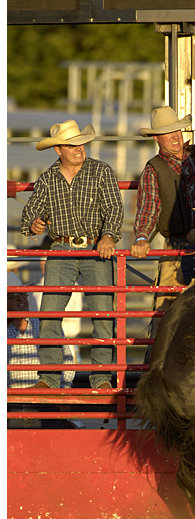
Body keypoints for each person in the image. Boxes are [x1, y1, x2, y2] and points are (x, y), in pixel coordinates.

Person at [20, 119, 124, 389]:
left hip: (96, 247)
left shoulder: (101, 171)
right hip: (61, 248)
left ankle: (101, 379)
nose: (79, 149)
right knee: (49, 314)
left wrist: (108, 235)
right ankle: (49, 378)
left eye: (81, 144)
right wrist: (34, 223)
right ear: (59, 150)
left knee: (103, 316)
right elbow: (29, 213)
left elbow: (114, 208)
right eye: (72, 145)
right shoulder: (48, 179)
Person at [130, 106, 195, 335]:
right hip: (178, 247)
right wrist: (141, 237)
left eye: (177, 130)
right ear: (156, 138)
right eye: (168, 133)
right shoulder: (154, 170)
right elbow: (148, 208)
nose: (176, 136)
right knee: (167, 313)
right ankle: (161, 351)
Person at [7, 272, 76, 428]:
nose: (21, 299)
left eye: (23, 294)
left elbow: (66, 360)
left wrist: (64, 391)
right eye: (14, 295)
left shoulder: (44, 325)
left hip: (45, 400)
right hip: (11, 402)